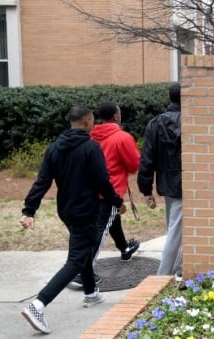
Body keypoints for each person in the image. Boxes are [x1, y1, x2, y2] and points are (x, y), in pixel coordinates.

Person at [20, 105, 124, 334]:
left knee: (83, 249)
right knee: (76, 259)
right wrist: (117, 202)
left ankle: (90, 293)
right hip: (86, 211)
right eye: (93, 120)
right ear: (87, 121)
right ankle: (38, 304)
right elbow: (102, 182)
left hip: (66, 210)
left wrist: (29, 210)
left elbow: (42, 182)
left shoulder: (54, 148)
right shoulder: (90, 147)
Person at [69, 102, 142, 288]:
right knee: (100, 230)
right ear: (116, 116)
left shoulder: (90, 136)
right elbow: (134, 165)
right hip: (111, 191)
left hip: (89, 191)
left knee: (111, 220)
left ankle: (125, 249)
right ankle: (82, 271)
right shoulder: (122, 137)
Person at [138, 82, 182, 277]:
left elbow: (147, 159)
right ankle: (163, 275)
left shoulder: (155, 124)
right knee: (175, 231)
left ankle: (178, 269)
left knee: (174, 228)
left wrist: (146, 189)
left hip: (167, 184)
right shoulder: (192, 122)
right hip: (188, 184)